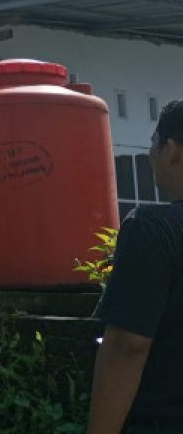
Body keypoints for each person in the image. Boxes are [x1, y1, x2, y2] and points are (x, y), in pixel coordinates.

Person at [88, 99, 183, 434]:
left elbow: (128, 346)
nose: (150, 154)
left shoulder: (153, 228)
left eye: (153, 143)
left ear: (171, 149)